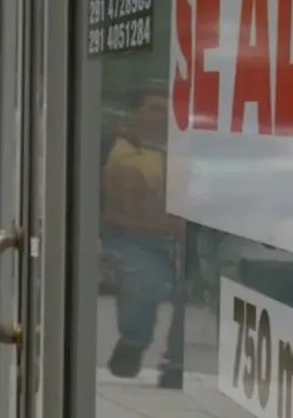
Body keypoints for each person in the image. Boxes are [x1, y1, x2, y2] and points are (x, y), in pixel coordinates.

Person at [100, 84, 185, 388]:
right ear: (137, 112)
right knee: (143, 286)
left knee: (190, 294)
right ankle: (132, 344)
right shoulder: (112, 145)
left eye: (169, 110)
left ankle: (177, 363)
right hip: (131, 235)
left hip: (184, 239)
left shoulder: (189, 149)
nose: (163, 116)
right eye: (155, 108)